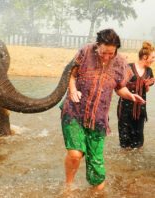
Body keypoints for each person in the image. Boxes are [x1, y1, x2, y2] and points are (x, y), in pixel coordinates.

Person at [60, 29, 145, 190]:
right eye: (104, 52)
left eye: (111, 53)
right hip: (74, 112)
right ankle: (68, 187)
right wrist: (72, 89)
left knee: (98, 177)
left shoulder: (120, 63)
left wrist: (131, 96)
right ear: (98, 45)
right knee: (75, 154)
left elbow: (120, 88)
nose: (106, 56)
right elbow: (71, 74)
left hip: (98, 120)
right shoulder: (85, 51)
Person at [117, 42, 155, 149]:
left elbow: (146, 90)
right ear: (144, 57)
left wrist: (146, 86)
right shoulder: (129, 68)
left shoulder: (149, 71)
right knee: (125, 144)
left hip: (140, 110)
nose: (154, 59)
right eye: (152, 57)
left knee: (138, 144)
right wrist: (133, 84)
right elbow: (119, 86)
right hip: (125, 109)